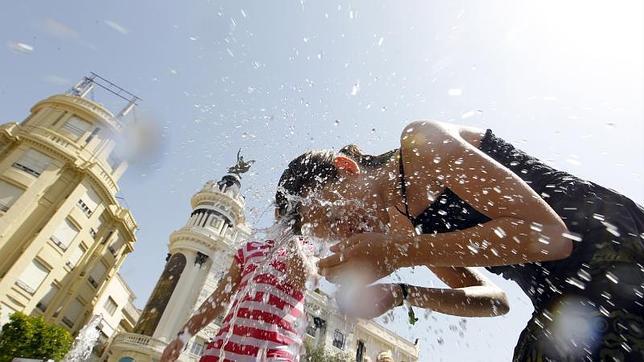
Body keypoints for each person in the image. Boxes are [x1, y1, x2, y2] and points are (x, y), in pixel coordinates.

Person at [275, 120, 644, 361]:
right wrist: (403, 293)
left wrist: (401, 253)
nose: (347, 232)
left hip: (609, 247)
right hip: (559, 299)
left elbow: (551, 237)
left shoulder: (420, 145)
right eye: (334, 234)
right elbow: (496, 302)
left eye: (337, 216)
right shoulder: (408, 234)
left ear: (346, 167)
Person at [160, 233, 313, 362]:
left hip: (275, 353)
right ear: (277, 213)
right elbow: (220, 297)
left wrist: (293, 236)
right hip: (225, 349)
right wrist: (183, 336)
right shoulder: (250, 249)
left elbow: (305, 280)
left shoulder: (308, 251)